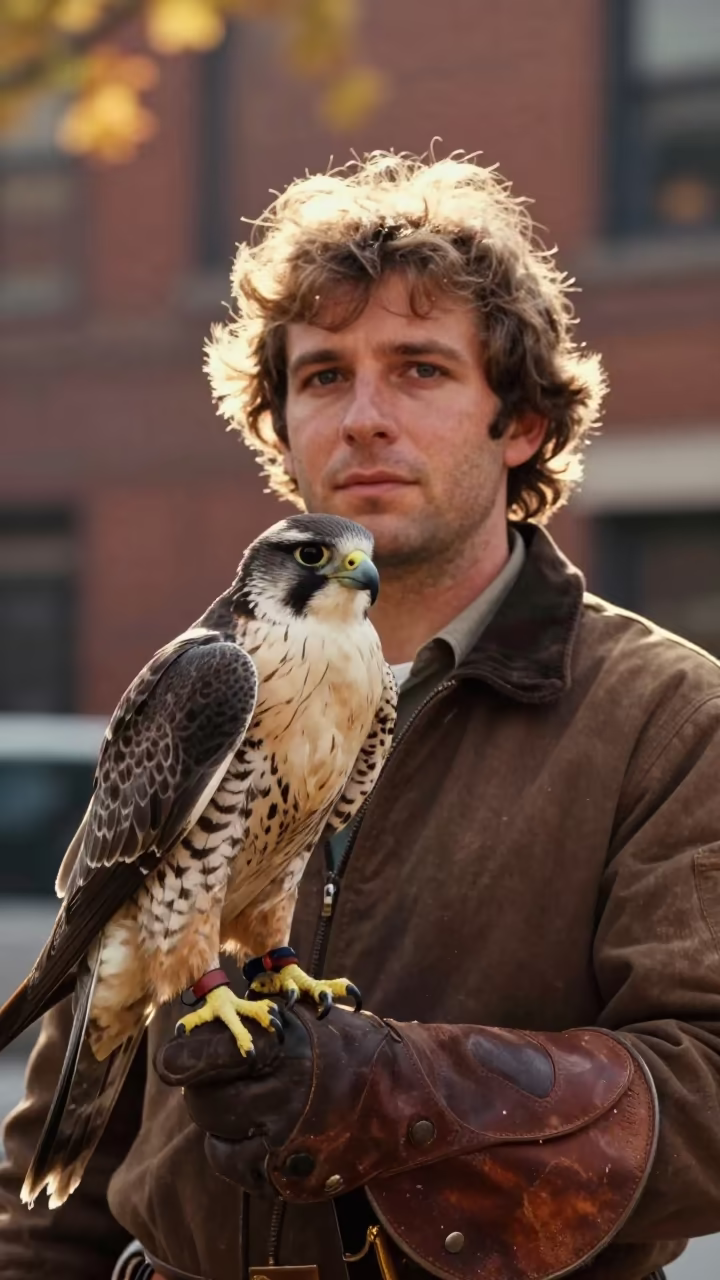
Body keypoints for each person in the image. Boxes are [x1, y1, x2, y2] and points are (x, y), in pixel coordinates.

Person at [2, 151, 720, 1280]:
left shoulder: (666, 716)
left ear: (520, 423)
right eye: (325, 376)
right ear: (281, 427)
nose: (366, 418)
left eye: (421, 369)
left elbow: (710, 1094)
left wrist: (400, 1091)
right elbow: (64, 1161)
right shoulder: (201, 681)